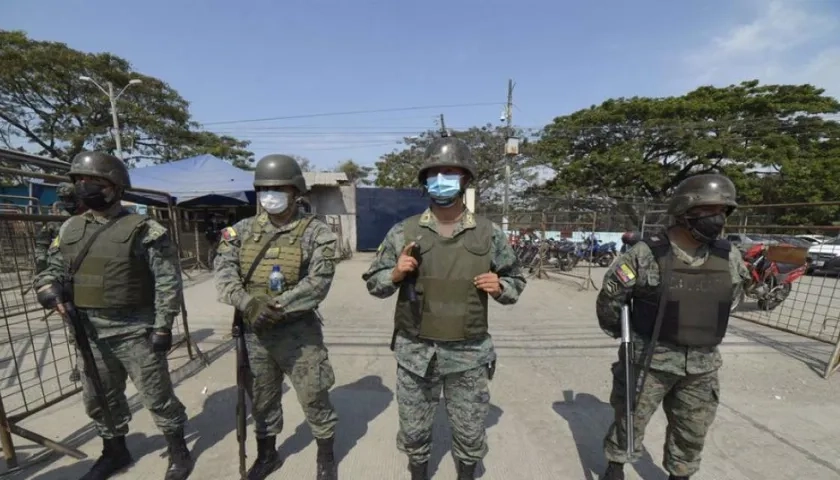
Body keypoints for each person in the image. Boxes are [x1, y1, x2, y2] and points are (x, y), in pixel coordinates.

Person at [361, 136, 527, 480]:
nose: (441, 180)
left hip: (469, 354)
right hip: (416, 353)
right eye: (434, 173)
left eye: (450, 172)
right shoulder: (403, 232)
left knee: (470, 433)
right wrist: (395, 274)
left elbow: (516, 280)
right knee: (413, 432)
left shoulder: (489, 233)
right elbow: (374, 284)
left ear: (465, 179)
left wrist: (501, 286)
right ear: (425, 180)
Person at [33, 151, 193, 480]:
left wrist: (163, 327)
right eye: (79, 181)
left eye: (94, 181)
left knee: (157, 395)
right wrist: (48, 289)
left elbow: (167, 282)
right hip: (88, 332)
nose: (84, 187)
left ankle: (178, 448)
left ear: (115, 187)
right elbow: (51, 269)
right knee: (99, 398)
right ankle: (114, 450)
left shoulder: (145, 229)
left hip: (135, 331)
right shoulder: (70, 227)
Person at [596, 173, 750, 480]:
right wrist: (626, 337)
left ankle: (680, 474)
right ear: (684, 210)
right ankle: (615, 466)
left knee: (692, 432)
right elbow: (610, 302)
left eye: (722, 211)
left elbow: (734, 295)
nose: (717, 218)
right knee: (630, 422)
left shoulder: (728, 255)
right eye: (708, 210)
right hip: (649, 361)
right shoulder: (646, 254)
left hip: (702, 366)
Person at [213, 154, 339, 480]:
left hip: (299, 333)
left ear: (295, 191)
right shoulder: (240, 231)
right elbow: (224, 275)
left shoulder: (317, 232)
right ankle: (267, 455)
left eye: (278, 188)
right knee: (262, 398)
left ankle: (326, 456)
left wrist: (276, 307)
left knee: (314, 393)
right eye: (264, 189)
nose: (270, 195)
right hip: (254, 332)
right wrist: (249, 304)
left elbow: (318, 283)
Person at [34, 183, 85, 274]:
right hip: (59, 266)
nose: (66, 201)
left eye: (70, 198)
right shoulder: (56, 221)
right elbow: (41, 243)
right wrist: (41, 261)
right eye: (63, 198)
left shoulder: (89, 217)